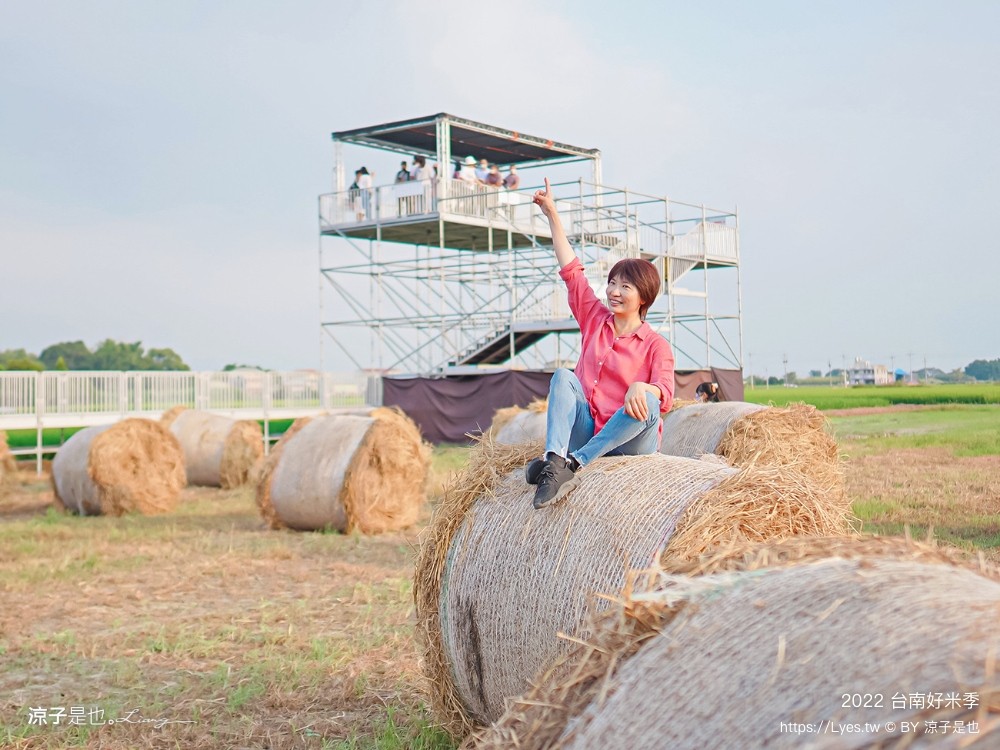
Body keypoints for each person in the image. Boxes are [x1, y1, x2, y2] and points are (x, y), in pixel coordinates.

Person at [527, 178, 675, 509]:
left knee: (648, 404)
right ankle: (554, 461)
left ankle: (575, 464)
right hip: (591, 430)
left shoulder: (655, 344)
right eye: (611, 283)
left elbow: (665, 395)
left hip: (630, 442)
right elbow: (571, 271)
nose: (614, 291)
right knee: (563, 376)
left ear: (643, 297)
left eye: (625, 286)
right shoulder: (594, 319)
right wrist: (551, 213)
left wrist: (643, 387)